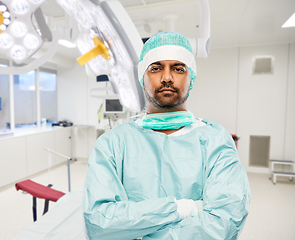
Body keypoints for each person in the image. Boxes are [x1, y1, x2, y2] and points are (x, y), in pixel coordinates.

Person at [83, 32, 251, 239]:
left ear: (191, 79)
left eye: (178, 69)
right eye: (155, 68)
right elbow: (100, 223)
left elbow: (224, 222)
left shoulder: (215, 140)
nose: (167, 77)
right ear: (142, 78)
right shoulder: (112, 144)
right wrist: (185, 208)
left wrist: (133, 226)